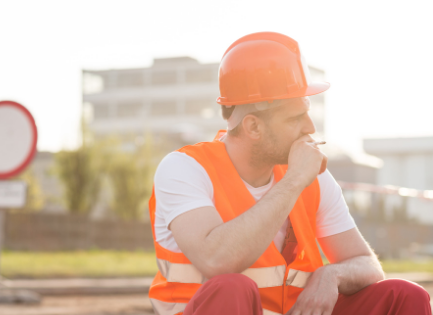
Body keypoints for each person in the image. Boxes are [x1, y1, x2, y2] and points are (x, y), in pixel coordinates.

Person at [148, 32, 431, 315]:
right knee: (231, 287)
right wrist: (294, 181)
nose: (309, 127)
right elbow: (215, 260)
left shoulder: (312, 177)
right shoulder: (184, 168)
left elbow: (367, 264)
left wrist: (332, 275)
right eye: (295, 118)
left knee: (404, 295)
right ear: (253, 127)